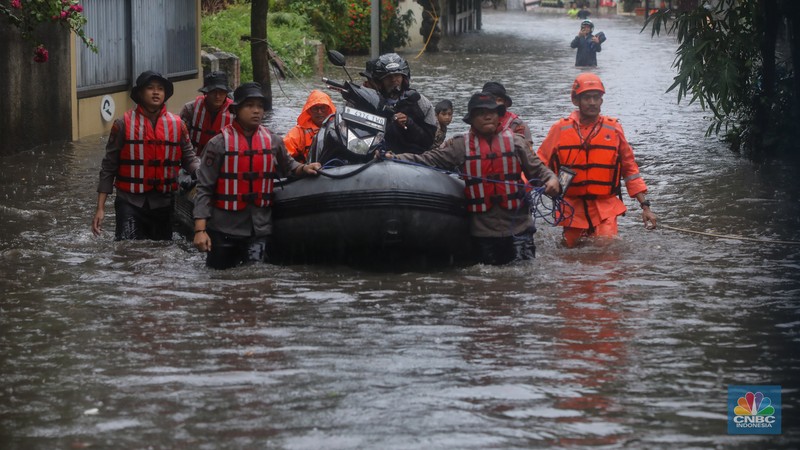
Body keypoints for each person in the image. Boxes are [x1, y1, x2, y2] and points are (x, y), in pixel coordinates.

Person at [382, 92, 560, 265]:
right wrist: (395, 158)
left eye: (491, 113)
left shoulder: (516, 142)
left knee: (524, 276)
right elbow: (428, 159)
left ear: (498, 116)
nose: (487, 117)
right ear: (471, 119)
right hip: (483, 232)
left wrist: (552, 181)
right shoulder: (460, 145)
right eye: (480, 114)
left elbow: (540, 171)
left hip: (520, 229)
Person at [192, 82, 322, 269]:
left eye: (260, 106)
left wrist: (304, 168)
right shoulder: (218, 144)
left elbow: (289, 166)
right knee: (219, 279)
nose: (256, 111)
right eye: (249, 105)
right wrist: (200, 230)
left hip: (259, 229)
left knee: (256, 276)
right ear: (236, 110)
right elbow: (204, 188)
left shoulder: (273, 141)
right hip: (223, 229)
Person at [536, 73, 658, 248]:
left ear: (601, 101)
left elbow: (630, 170)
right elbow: (538, 164)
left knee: (606, 251)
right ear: (576, 100)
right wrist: (524, 192)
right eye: (587, 98)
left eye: (596, 97)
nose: (592, 102)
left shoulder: (614, 128)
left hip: (605, 207)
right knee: (570, 255)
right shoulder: (559, 129)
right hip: (571, 207)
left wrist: (645, 207)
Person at [92, 70, 199, 240]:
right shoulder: (122, 124)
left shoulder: (178, 125)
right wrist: (100, 208)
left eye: (160, 89)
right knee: (128, 252)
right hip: (129, 201)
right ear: (140, 93)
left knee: (160, 255)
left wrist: (203, 174)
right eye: (150, 88)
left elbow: (190, 159)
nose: (156, 92)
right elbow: (108, 167)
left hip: (163, 203)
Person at [372, 53, 438, 154]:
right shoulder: (373, 101)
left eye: (397, 75)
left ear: (404, 77)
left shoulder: (419, 102)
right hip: (380, 155)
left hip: (413, 158)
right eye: (388, 77)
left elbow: (428, 141)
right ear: (380, 81)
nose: (394, 80)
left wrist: (409, 122)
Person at [179, 70, 234, 158]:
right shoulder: (190, 109)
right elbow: (180, 139)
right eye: (213, 91)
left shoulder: (235, 112)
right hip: (194, 160)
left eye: (221, 91)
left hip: (222, 162)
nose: (217, 96)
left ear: (226, 93)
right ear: (206, 92)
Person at [283, 90, 336, 163]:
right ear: (309, 111)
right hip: (307, 171)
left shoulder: (338, 128)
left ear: (329, 109)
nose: (319, 112)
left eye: (323, 108)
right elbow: (282, 155)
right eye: (315, 108)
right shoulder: (298, 132)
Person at [482, 81, 534, 150]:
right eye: (490, 101)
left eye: (499, 100)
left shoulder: (518, 125)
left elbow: (528, 154)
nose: (496, 104)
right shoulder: (479, 122)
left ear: (505, 103)